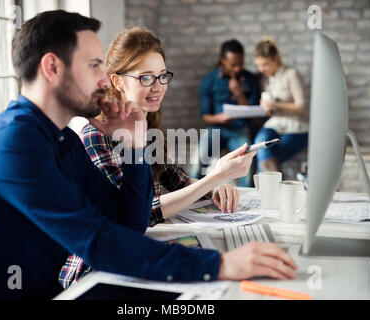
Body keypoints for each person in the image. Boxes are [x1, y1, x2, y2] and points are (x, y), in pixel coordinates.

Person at [0, 11, 297, 300]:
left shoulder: (61, 139)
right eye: (95, 66)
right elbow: (99, 240)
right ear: (52, 68)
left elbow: (129, 221)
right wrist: (218, 264)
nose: (104, 79)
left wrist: (134, 146)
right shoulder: (13, 143)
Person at [59, 27, 248, 288]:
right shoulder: (95, 136)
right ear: (117, 81)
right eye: (146, 78)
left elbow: (179, 180)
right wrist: (214, 177)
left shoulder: (148, 126)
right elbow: (141, 213)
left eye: (162, 76)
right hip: (95, 271)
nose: (158, 87)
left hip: (138, 252)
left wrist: (216, 186)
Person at [190, 39, 261, 187]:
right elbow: (205, 116)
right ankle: (192, 197)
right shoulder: (209, 80)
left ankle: (245, 204)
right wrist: (219, 118)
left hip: (240, 129)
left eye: (241, 63)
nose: (238, 68)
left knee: (247, 166)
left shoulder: (251, 79)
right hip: (216, 128)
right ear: (223, 60)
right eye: (233, 64)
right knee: (197, 163)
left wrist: (239, 93)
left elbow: (255, 115)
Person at [253, 39, 309, 173]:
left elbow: (301, 108)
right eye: (259, 65)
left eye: (265, 64)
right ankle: (276, 186)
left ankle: (268, 188)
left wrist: (275, 104)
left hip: (297, 125)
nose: (261, 69)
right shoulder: (266, 79)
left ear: (275, 58)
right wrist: (267, 109)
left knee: (268, 155)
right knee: (260, 143)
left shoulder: (291, 74)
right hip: (276, 123)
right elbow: (271, 112)